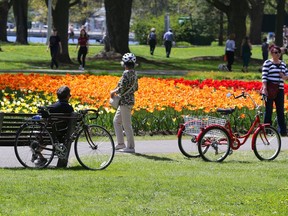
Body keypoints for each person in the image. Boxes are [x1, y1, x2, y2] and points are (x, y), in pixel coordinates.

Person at [34, 86, 74, 166]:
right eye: (69, 95)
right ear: (67, 97)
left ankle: (39, 156)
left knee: (38, 136)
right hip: (62, 136)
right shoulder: (70, 109)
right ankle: (40, 157)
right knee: (47, 136)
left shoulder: (52, 108)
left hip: (49, 135)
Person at [110, 53, 138, 153]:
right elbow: (136, 88)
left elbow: (121, 89)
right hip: (128, 101)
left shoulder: (126, 73)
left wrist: (113, 92)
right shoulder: (134, 73)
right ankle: (121, 143)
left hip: (125, 102)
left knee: (126, 125)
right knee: (116, 121)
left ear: (124, 64)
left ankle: (130, 147)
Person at [261, 45, 288, 136]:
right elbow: (264, 76)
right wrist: (264, 88)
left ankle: (282, 131)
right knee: (268, 110)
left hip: (280, 90)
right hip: (270, 89)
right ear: (271, 53)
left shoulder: (283, 63)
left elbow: (286, 76)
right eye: (274, 52)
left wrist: (283, 76)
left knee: (280, 110)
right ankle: (267, 130)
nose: (276, 54)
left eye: (278, 52)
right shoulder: (267, 63)